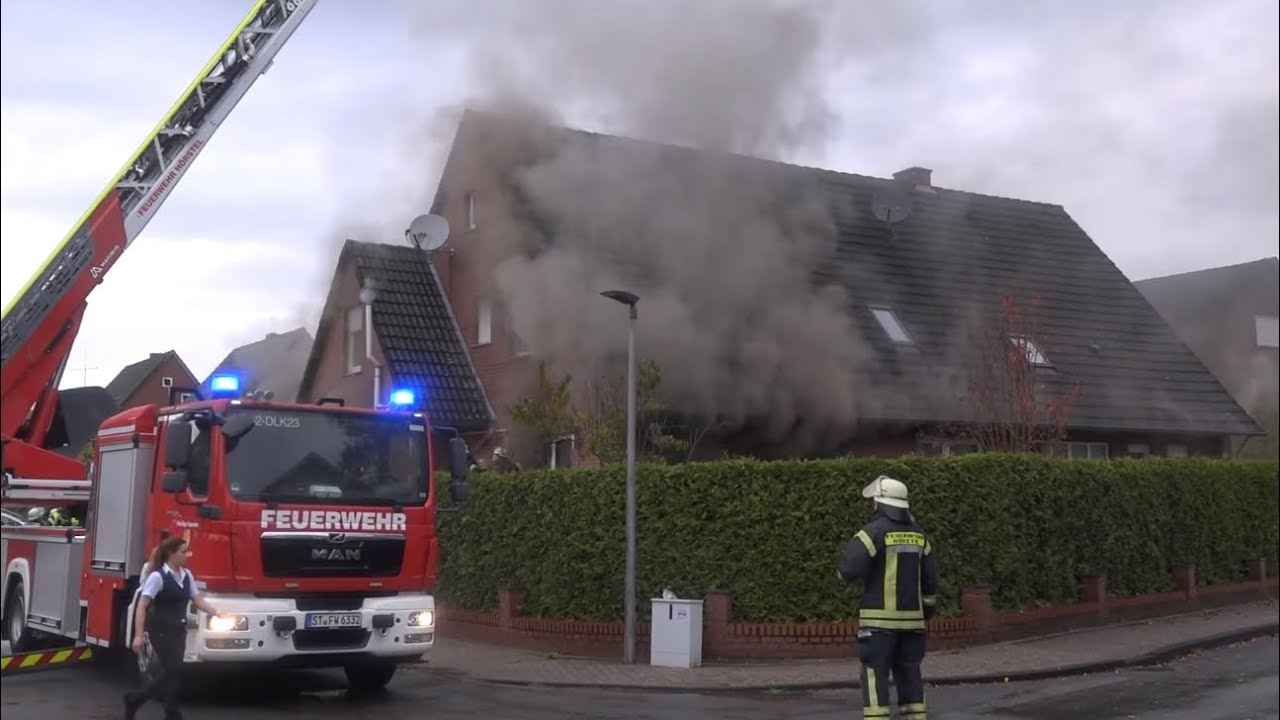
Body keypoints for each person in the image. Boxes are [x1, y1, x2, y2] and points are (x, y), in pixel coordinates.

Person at [838, 475, 938, 720]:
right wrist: (927, 611)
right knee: (910, 672)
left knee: (875, 674)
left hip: (879, 627)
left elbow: (849, 570)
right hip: (913, 625)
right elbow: (930, 580)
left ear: (880, 503)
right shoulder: (919, 535)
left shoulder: (873, 532)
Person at [124, 536, 224, 720]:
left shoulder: (187, 576)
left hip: (179, 631)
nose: (187, 555)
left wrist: (216, 612)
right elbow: (142, 605)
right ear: (171, 553)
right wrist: (138, 635)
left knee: (172, 671)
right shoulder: (157, 577)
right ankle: (170, 711)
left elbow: (198, 599)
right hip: (160, 631)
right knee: (173, 669)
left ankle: (138, 700)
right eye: (183, 552)